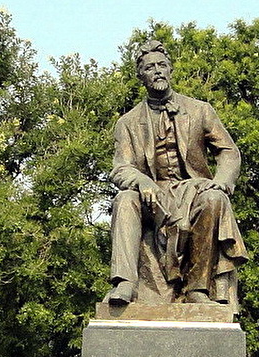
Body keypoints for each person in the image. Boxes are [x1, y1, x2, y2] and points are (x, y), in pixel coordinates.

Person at [105, 40, 249, 306]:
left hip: (191, 191)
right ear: (141, 76)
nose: (157, 71)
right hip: (153, 195)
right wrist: (142, 181)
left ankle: (198, 289)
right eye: (150, 67)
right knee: (124, 200)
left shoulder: (200, 110)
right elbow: (120, 167)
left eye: (162, 65)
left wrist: (220, 182)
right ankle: (125, 282)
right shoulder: (127, 122)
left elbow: (228, 151)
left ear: (170, 70)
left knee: (214, 200)